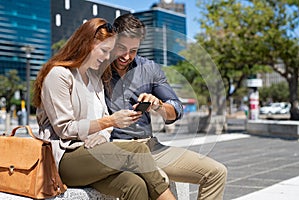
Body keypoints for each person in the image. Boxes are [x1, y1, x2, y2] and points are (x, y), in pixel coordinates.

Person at [33, 18, 176, 200]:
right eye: (104, 51)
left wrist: (102, 133)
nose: (107, 57)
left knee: (134, 185)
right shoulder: (59, 75)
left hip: (91, 155)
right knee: (136, 150)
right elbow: (65, 129)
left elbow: (104, 119)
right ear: (85, 44)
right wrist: (109, 122)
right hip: (63, 159)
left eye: (109, 52)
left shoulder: (95, 78)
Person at [104, 13, 228, 200]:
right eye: (121, 48)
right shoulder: (98, 67)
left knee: (217, 173)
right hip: (114, 149)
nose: (126, 56)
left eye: (134, 50)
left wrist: (158, 105)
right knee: (158, 182)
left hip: (149, 146)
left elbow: (175, 109)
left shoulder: (150, 69)